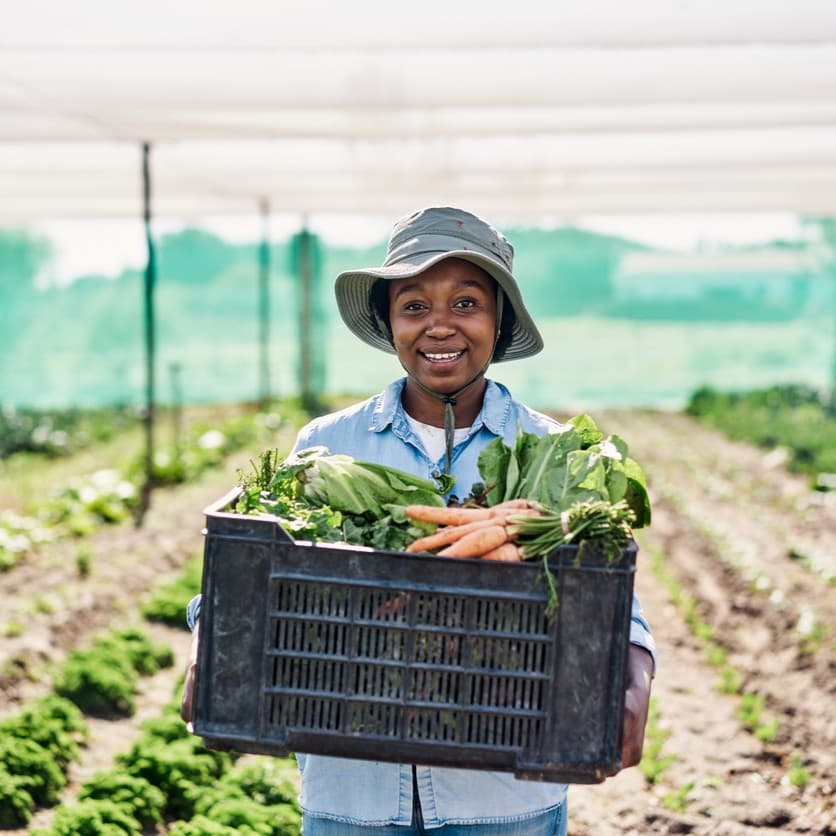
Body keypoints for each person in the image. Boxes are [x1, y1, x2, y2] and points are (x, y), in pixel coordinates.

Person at [182, 206, 655, 835]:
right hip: (352, 784)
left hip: (501, 788)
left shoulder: (557, 451)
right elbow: (257, 569)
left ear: (498, 321)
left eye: (466, 303)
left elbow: (609, 593)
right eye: (413, 306)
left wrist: (634, 676)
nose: (439, 327)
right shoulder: (329, 444)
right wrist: (208, 642)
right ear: (388, 322)